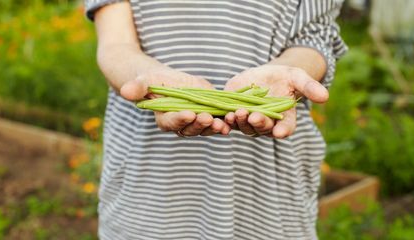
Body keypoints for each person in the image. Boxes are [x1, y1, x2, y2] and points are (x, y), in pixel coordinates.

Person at [85, 0, 347, 239]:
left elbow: (315, 37)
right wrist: (146, 73)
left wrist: (294, 71)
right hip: (147, 192)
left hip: (270, 193)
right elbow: (115, 44)